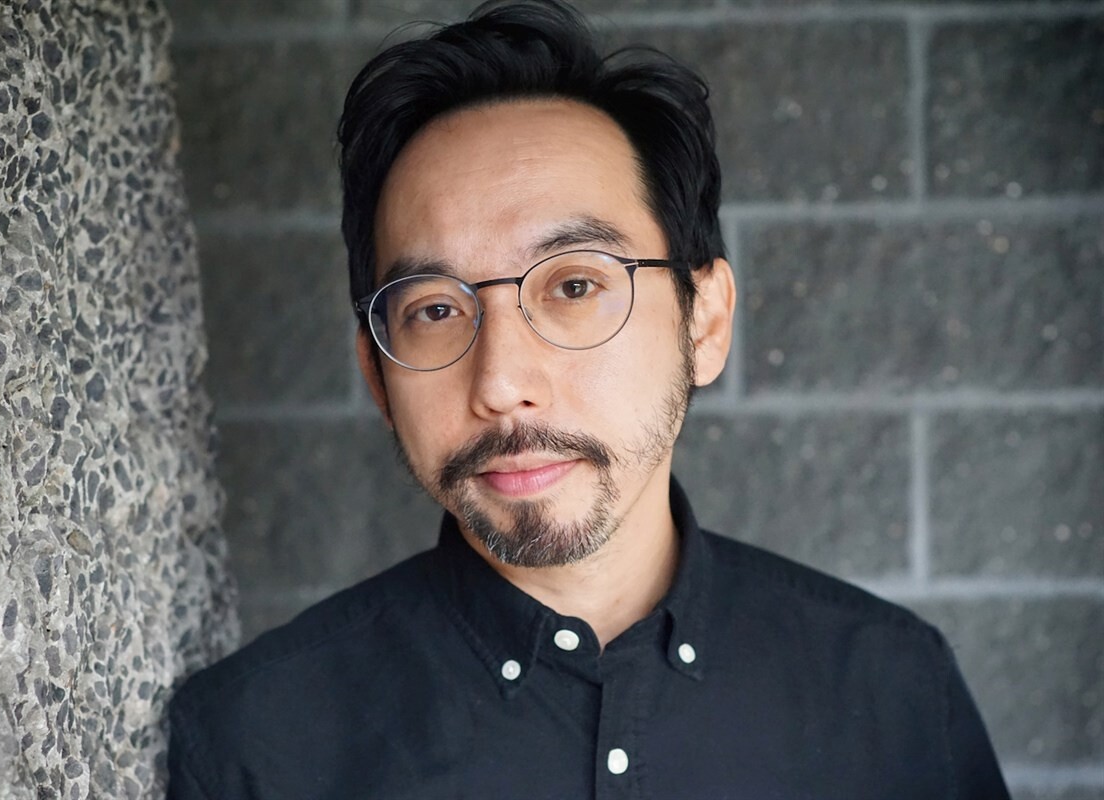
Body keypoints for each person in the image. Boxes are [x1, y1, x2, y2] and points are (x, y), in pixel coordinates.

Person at [167, 1, 1010, 797]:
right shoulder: (257, 744)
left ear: (705, 322)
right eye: (434, 310)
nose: (501, 385)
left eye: (574, 285)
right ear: (375, 373)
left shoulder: (894, 694)